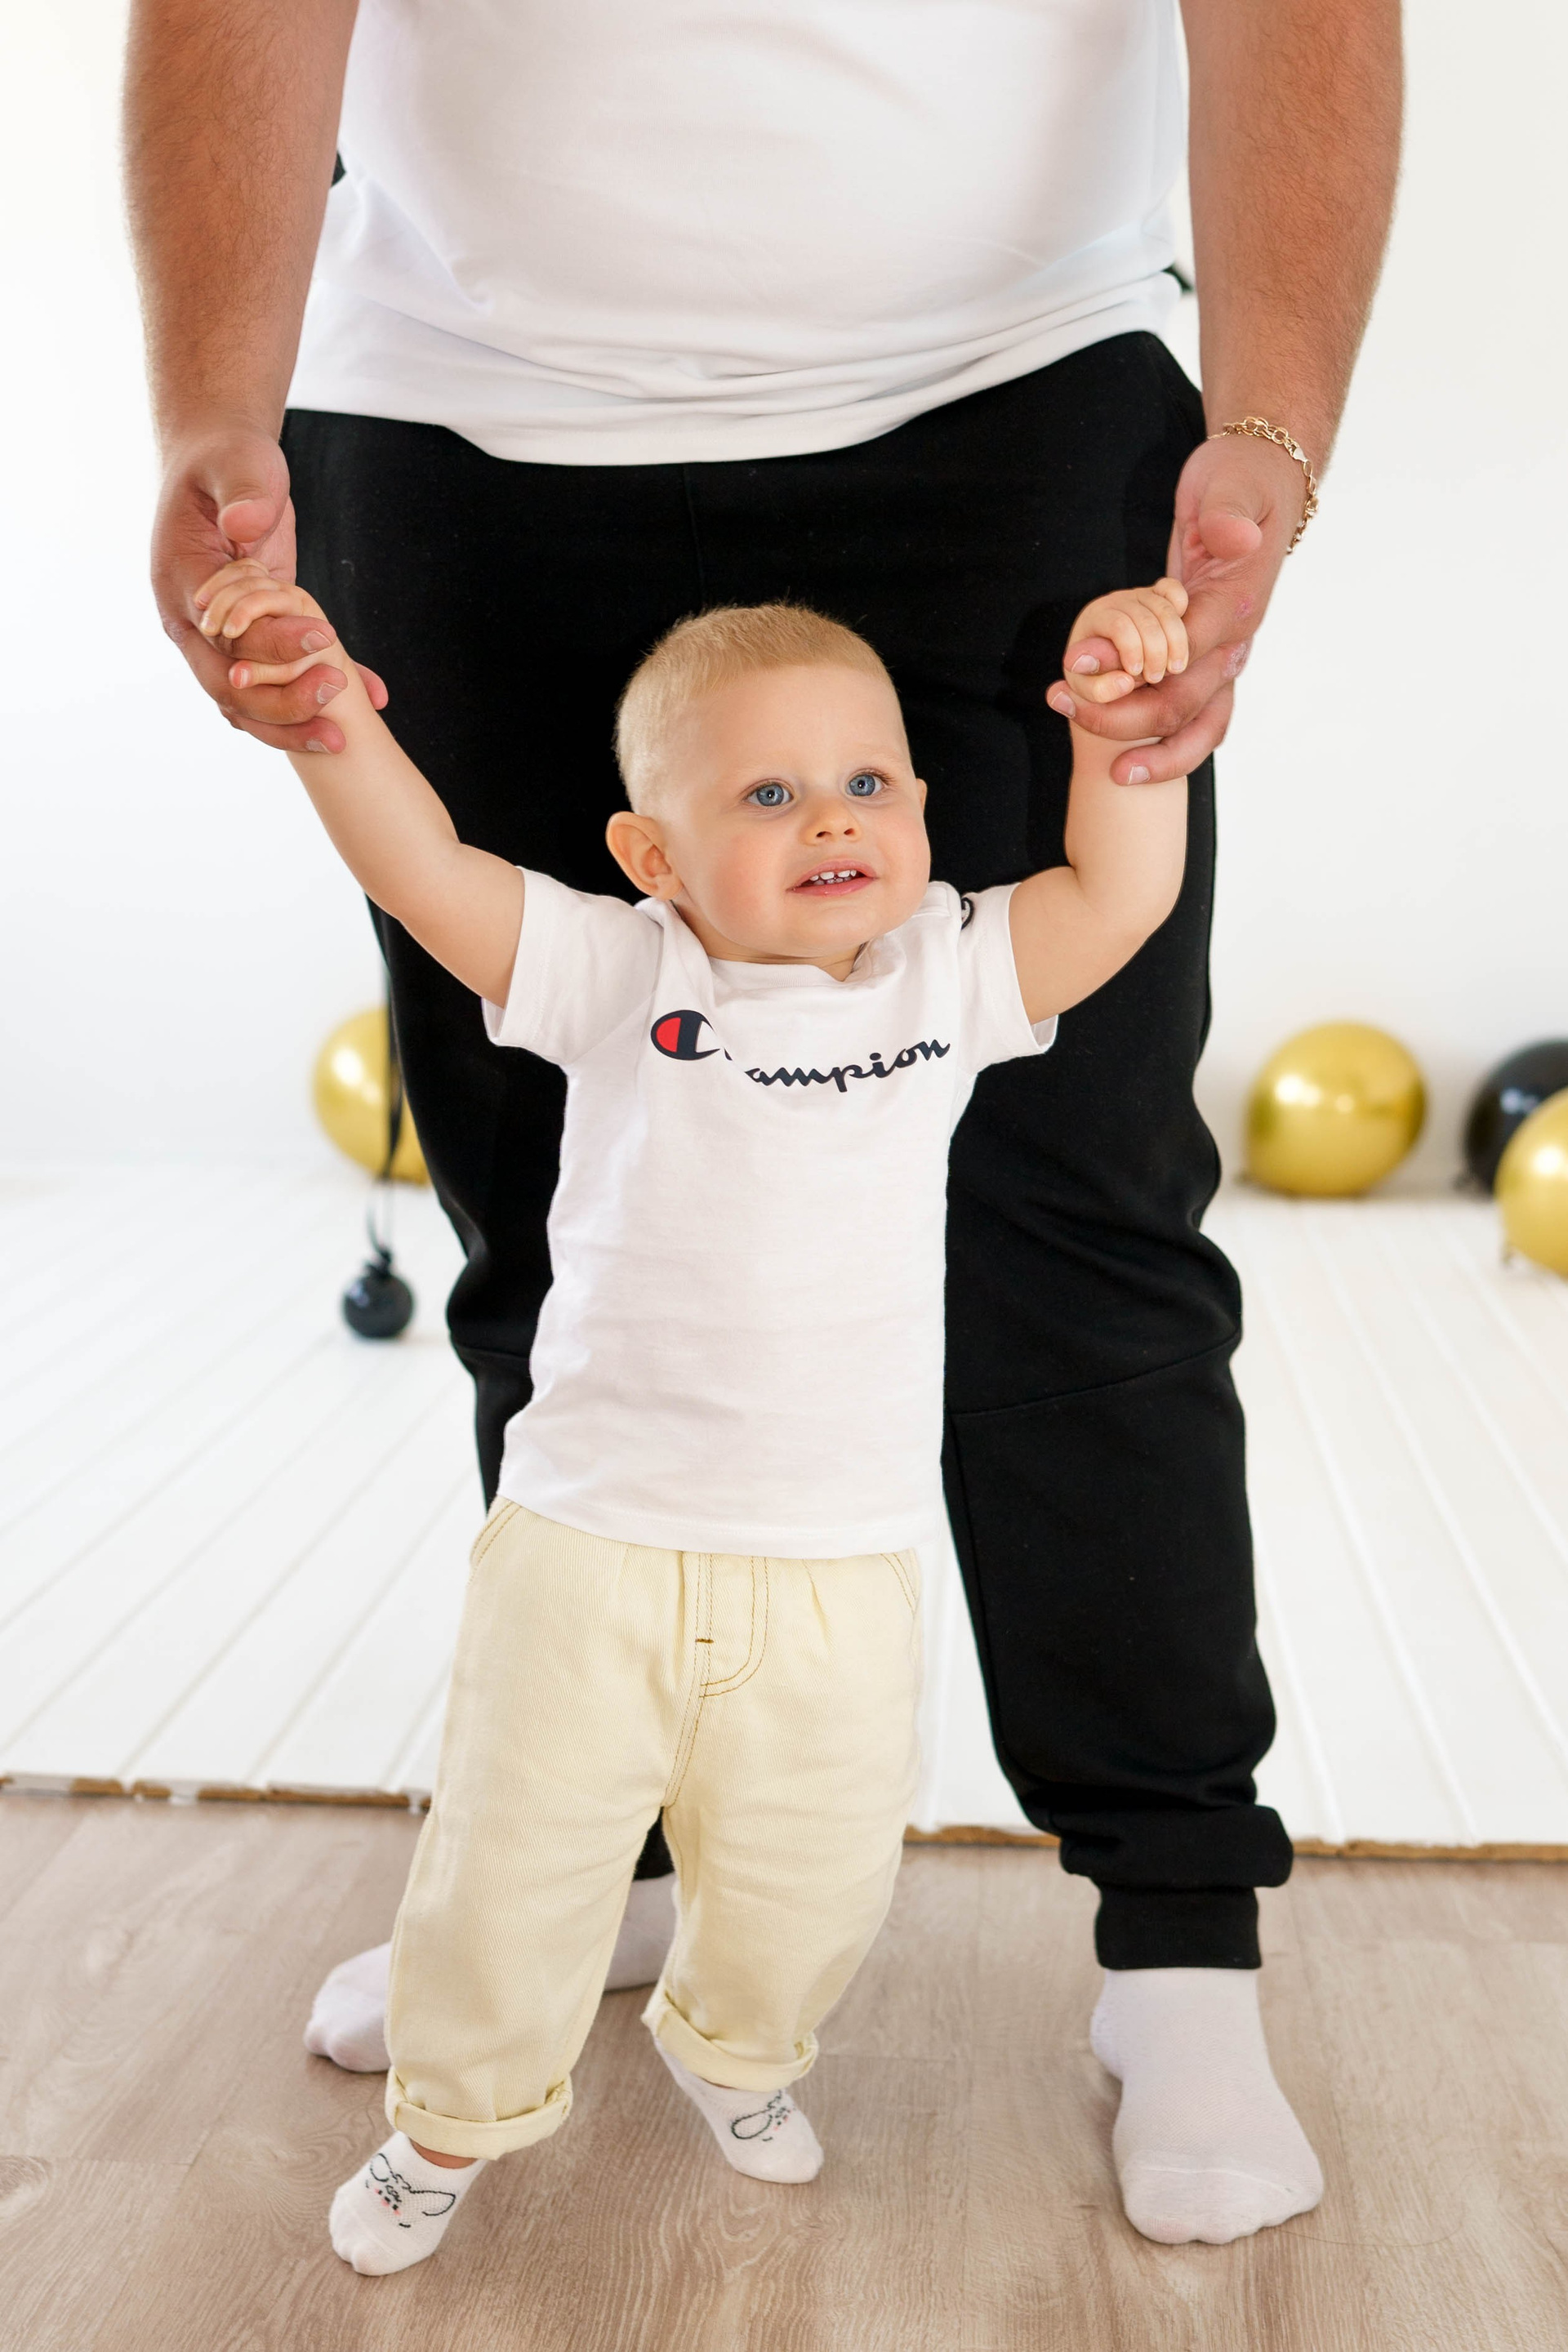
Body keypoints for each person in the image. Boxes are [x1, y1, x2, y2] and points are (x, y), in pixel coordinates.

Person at [126, 0, 1401, 2249]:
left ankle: (1180, 1945)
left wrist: (1269, 431)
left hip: (1002, 397)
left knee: (1079, 1225)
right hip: (467, 419)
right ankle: (589, 1858)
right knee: (558, 1219)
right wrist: (212, 415)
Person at [188, 553, 1309, 2273]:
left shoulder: (942, 976)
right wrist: (329, 719)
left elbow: (1122, 896)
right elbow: (424, 873)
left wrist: (1111, 734)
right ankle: (444, 2132)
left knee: (814, 1872)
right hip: (594, 1552)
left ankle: (739, 2051)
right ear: (653, 856)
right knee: (512, 1867)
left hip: (836, 1562)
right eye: (768, 795)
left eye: (868, 782)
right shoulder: (616, 970)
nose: (833, 818)